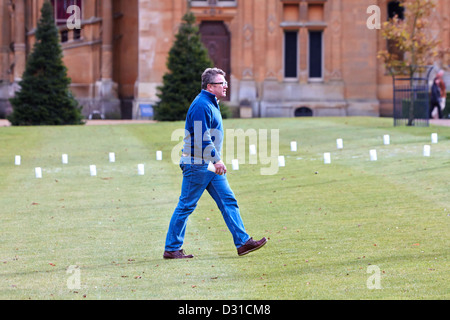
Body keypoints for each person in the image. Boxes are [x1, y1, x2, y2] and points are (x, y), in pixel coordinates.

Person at [163, 67, 267, 259]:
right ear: (210, 87)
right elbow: (202, 137)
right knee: (186, 205)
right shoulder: (201, 105)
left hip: (208, 164)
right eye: (222, 83)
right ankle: (171, 248)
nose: (226, 86)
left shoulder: (211, 102)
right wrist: (217, 159)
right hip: (197, 164)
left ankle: (242, 242)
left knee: (228, 201)